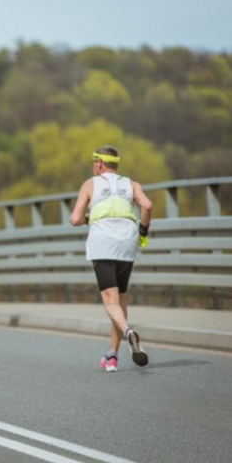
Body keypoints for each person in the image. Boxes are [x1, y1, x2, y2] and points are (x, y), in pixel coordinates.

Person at [70, 146, 152, 372]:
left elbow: (75, 219)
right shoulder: (131, 184)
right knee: (121, 300)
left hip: (103, 243)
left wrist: (90, 217)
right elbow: (147, 206)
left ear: (98, 163)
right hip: (127, 242)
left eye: (93, 161)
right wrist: (143, 232)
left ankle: (128, 332)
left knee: (110, 301)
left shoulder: (90, 184)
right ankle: (112, 356)